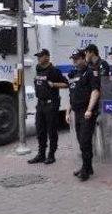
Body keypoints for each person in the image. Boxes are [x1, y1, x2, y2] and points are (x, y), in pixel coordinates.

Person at [28, 49, 68, 165]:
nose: (38, 58)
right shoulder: (38, 69)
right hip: (40, 104)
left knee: (51, 130)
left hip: (51, 104)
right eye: (38, 56)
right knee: (40, 130)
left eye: (40, 56)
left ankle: (51, 155)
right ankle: (41, 154)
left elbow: (66, 84)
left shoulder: (54, 71)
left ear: (46, 57)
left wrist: (54, 84)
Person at [65, 49, 100, 181]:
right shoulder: (73, 74)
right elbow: (71, 95)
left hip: (87, 112)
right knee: (81, 141)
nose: (74, 61)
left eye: (76, 59)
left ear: (83, 58)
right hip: (77, 112)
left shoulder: (90, 72)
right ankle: (88, 166)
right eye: (73, 59)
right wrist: (68, 111)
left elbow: (95, 91)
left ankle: (85, 169)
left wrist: (90, 109)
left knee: (85, 141)